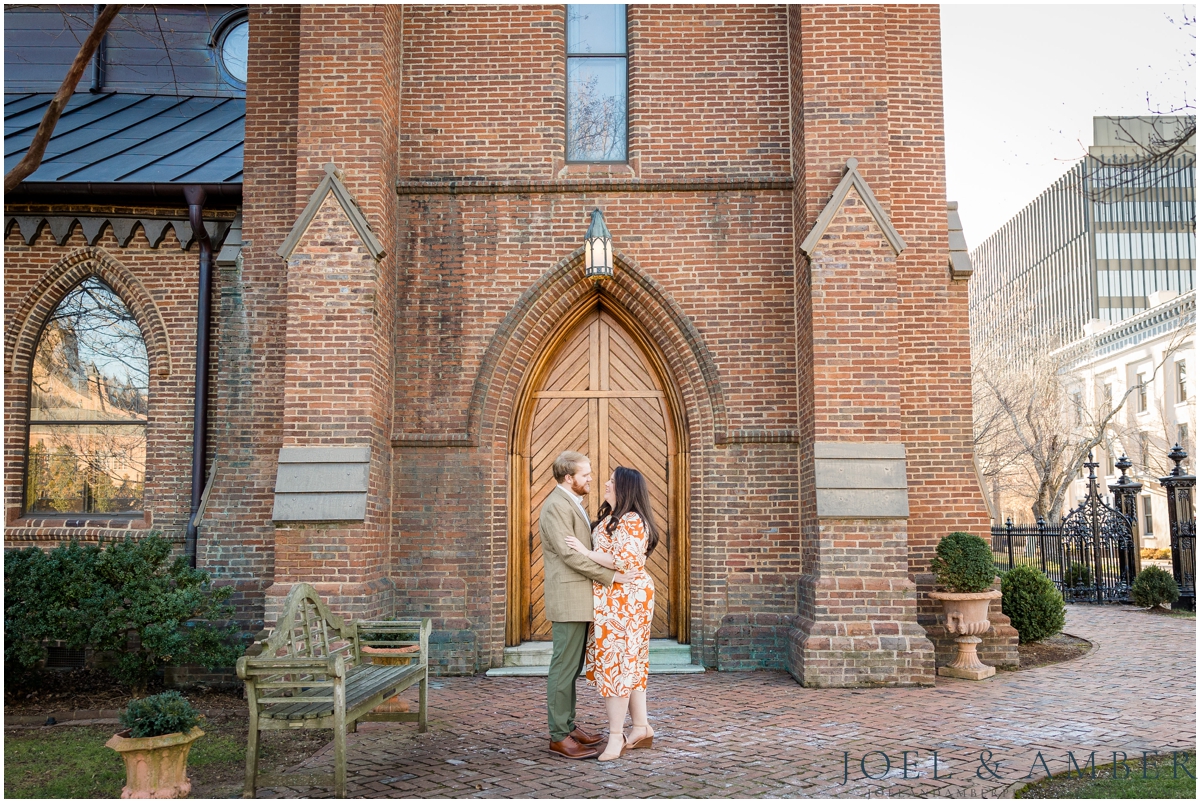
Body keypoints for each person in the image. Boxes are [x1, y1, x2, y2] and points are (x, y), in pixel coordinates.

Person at [564, 465, 659, 762]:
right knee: (628, 663)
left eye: (612, 481)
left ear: (626, 488)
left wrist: (586, 552)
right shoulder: (615, 517)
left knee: (618, 665)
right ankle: (641, 727)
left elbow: (626, 563)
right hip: (616, 599)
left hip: (626, 600)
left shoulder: (631, 520)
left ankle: (616, 737)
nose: (606, 483)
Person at [537, 450, 627, 759]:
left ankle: (567, 725)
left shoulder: (570, 503)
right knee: (563, 668)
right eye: (585, 474)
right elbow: (570, 555)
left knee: (571, 668)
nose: (591, 478)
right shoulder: (554, 507)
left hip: (580, 599)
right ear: (568, 478)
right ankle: (559, 736)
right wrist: (612, 576)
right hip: (569, 599)